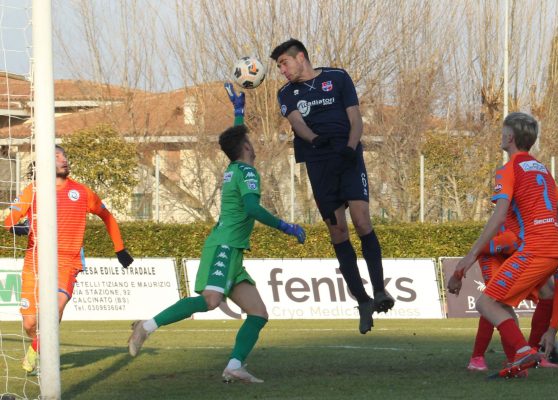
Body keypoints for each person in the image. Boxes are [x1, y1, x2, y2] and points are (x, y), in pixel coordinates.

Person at [127, 83, 306, 384]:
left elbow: (235, 144)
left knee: (258, 313)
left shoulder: (233, 168)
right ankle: (145, 326)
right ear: (247, 147)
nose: (252, 143)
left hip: (232, 250)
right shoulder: (247, 173)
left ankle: (234, 365)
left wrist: (239, 114)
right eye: (250, 140)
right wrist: (286, 226)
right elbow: (252, 208)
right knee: (210, 301)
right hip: (224, 246)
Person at [270, 38, 394, 334]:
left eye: (284, 64)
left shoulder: (337, 77)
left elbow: (356, 119)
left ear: (300, 57)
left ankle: (379, 291)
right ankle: (363, 301)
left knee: (362, 221)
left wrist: (351, 149)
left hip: (347, 157)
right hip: (318, 164)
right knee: (338, 231)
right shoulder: (286, 93)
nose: (282, 71)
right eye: (278, 67)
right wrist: (314, 140)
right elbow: (298, 124)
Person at [447, 112, 558, 378]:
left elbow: (499, 214)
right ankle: (519, 360)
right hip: (552, 250)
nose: (501, 136)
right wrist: (549, 235)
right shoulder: (543, 169)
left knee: (485, 303)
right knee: (502, 303)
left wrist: (468, 258)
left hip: (534, 249)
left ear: (510, 137)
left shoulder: (509, 169)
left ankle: (522, 352)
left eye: (503, 132)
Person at [4, 145, 134, 373]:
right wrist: (16, 226)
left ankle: (36, 351)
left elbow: (107, 216)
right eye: (56, 156)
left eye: (64, 156)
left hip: (67, 261)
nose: (63, 160)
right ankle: (40, 345)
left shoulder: (82, 192)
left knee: (53, 311)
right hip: (34, 262)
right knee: (30, 323)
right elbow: (10, 219)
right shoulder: (33, 190)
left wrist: (120, 248)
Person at [465, 227, 558, 372]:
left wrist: (552, 330)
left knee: (548, 293)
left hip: (522, 257)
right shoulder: (514, 238)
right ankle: (479, 358)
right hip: (494, 256)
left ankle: (532, 352)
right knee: (494, 301)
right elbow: (481, 247)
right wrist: (459, 273)